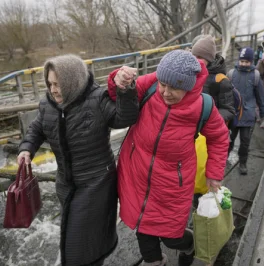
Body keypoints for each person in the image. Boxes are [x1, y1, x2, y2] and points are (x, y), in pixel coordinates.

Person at [107, 50, 229, 266]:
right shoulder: (153, 84)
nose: (165, 92)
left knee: (171, 236)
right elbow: (118, 96)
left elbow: (219, 138)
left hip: (173, 183)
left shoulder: (203, 106)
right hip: (138, 174)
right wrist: (119, 78)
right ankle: (154, 262)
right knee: (142, 227)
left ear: (189, 86)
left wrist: (214, 174)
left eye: (174, 87)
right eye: (163, 84)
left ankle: (190, 245)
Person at [17, 54, 139, 266]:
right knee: (79, 238)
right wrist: (27, 148)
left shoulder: (97, 98)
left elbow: (125, 118)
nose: (53, 89)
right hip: (65, 183)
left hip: (97, 182)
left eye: (58, 84)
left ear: (72, 82)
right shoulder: (48, 103)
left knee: (77, 244)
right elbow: (37, 127)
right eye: (50, 83)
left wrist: (124, 91)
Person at [227, 47, 264, 175]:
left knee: (245, 141)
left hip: (248, 114)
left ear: (251, 62)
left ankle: (243, 161)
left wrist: (263, 113)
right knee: (229, 139)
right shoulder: (231, 74)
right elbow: (225, 94)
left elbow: (261, 96)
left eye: (247, 62)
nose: (244, 64)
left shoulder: (255, 76)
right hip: (233, 114)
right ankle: (223, 158)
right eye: (242, 61)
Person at [191, 35, 235, 123]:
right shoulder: (188, 73)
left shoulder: (220, 80)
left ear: (209, 59)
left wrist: (210, 121)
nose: (195, 60)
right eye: (193, 56)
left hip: (210, 128)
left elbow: (228, 110)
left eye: (199, 57)